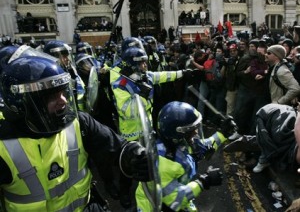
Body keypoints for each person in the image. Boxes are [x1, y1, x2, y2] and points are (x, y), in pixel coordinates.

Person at [0, 56, 150, 211]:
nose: (63, 100)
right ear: (21, 103)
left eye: (62, 92)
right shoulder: (3, 147)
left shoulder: (79, 122)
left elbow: (117, 147)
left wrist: (135, 155)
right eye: (52, 96)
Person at [111, 46, 194, 207]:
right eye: (141, 63)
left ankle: (153, 191)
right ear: (130, 65)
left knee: (149, 163)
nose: (145, 66)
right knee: (128, 168)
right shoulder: (120, 84)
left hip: (147, 130)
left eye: (145, 62)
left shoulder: (145, 77)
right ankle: (124, 193)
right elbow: (127, 111)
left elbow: (162, 76)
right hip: (130, 135)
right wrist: (140, 95)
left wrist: (183, 73)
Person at [135, 101, 236, 211]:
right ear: (179, 133)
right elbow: (176, 199)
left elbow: (202, 147)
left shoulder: (177, 143)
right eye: (192, 129)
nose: (196, 132)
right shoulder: (163, 164)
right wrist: (203, 181)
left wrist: (223, 134)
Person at [44, 40, 87, 112]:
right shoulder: (48, 80)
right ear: (51, 57)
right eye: (64, 56)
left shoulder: (70, 72)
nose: (67, 59)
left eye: (67, 56)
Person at [253, 103, 297, 173]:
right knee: (265, 141)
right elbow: (267, 141)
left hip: (276, 118)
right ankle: (263, 160)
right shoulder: (265, 121)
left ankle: (267, 158)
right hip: (266, 116)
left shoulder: (291, 123)